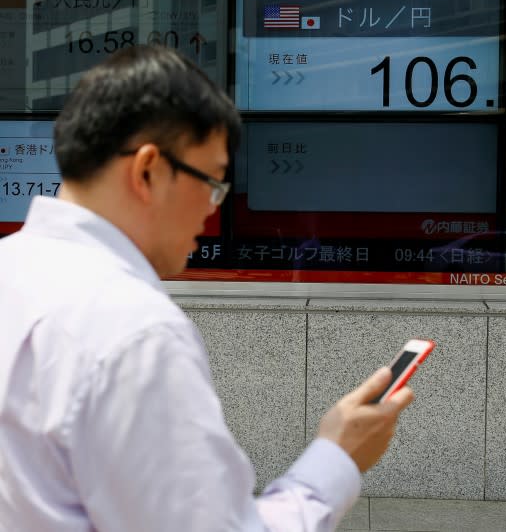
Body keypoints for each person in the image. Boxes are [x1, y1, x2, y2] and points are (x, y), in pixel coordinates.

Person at [0, 45, 413, 531]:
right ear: (148, 169)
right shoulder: (135, 333)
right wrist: (338, 458)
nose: (213, 209)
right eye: (212, 181)